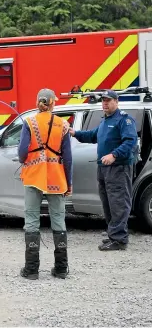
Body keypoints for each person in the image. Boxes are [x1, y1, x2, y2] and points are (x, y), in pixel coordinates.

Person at [69, 90, 137, 251]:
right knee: (108, 204)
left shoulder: (124, 120)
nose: (105, 103)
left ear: (116, 101)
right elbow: (93, 135)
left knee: (118, 203)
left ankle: (119, 240)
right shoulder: (105, 121)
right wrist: (74, 133)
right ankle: (113, 235)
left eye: (108, 100)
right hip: (104, 168)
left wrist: (114, 155)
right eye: (103, 101)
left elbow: (130, 142)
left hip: (118, 168)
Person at [18, 88, 73, 280]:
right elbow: (68, 158)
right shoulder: (62, 124)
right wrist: (69, 183)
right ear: (53, 103)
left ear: (38, 102)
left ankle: (31, 270)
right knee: (58, 219)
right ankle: (61, 269)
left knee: (32, 220)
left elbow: (22, 153)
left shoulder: (29, 122)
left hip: (34, 177)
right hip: (56, 178)